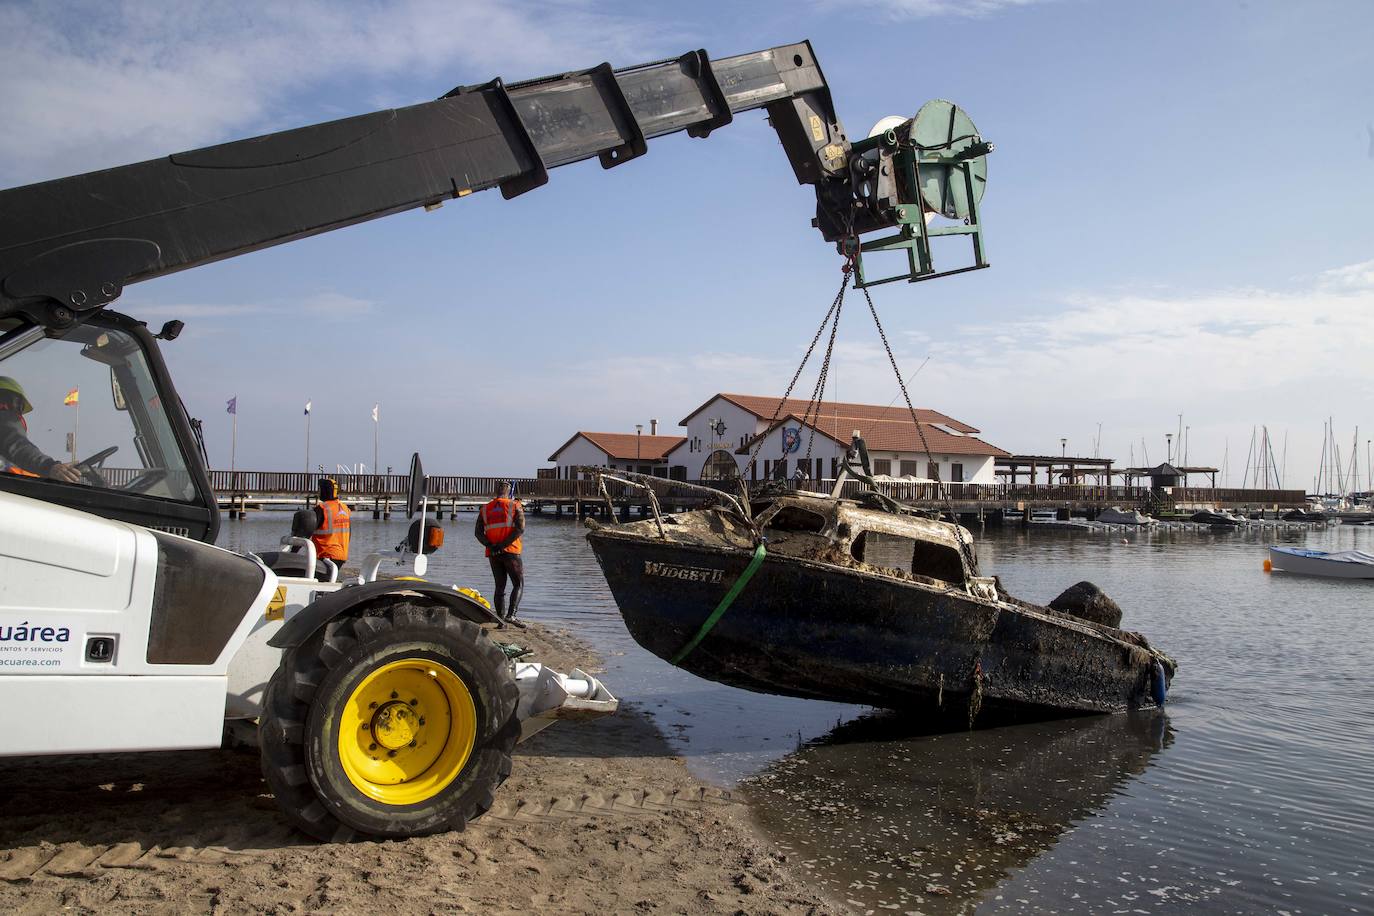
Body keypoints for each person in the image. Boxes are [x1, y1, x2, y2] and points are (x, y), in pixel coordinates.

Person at [0, 376, 82, 482]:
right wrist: (49, 467)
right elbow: (18, 446)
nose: (17, 413)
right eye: (18, 404)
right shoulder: (4, 418)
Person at [475, 480, 525, 627]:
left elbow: (478, 533)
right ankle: (512, 615)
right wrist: (503, 545)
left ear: (496, 491)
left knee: (499, 586)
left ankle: (500, 621)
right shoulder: (515, 505)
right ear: (509, 491)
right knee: (518, 583)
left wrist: (491, 545)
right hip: (511, 551)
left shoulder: (485, 509)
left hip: (493, 553)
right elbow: (520, 528)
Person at [309, 477, 351, 564]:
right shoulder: (345, 508)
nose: (319, 492)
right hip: (341, 556)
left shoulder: (322, 508)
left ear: (325, 491)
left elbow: (307, 530)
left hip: (325, 556)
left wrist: (293, 551)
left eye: (320, 489)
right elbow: (349, 533)